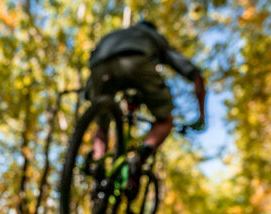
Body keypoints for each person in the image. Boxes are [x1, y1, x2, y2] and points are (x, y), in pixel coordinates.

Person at [87, 20, 206, 199]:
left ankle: (98, 164)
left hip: (98, 67)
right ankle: (138, 158)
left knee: (102, 126)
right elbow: (192, 73)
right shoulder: (153, 37)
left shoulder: (116, 34)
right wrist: (201, 115)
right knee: (165, 121)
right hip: (136, 62)